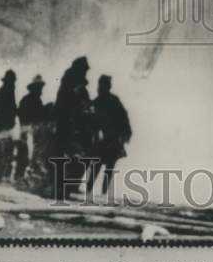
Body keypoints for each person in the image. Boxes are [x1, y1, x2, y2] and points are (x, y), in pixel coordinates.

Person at [49, 56, 94, 200]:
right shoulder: (74, 86)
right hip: (70, 127)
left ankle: (64, 187)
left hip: (68, 127)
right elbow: (78, 107)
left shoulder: (67, 84)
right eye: (84, 70)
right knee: (74, 157)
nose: (86, 73)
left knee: (67, 157)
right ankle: (64, 187)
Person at [86, 75, 132, 196]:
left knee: (102, 167)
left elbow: (123, 118)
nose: (100, 88)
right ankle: (95, 191)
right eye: (101, 85)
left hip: (110, 140)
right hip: (106, 139)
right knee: (102, 167)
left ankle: (98, 191)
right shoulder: (100, 101)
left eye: (102, 85)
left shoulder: (108, 101)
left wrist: (126, 133)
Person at [16, 75, 47, 181]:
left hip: (33, 131)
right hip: (28, 130)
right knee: (26, 153)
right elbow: (23, 115)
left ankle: (26, 175)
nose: (41, 90)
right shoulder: (28, 100)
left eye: (41, 87)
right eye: (39, 87)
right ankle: (21, 176)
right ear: (34, 88)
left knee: (31, 153)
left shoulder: (36, 100)